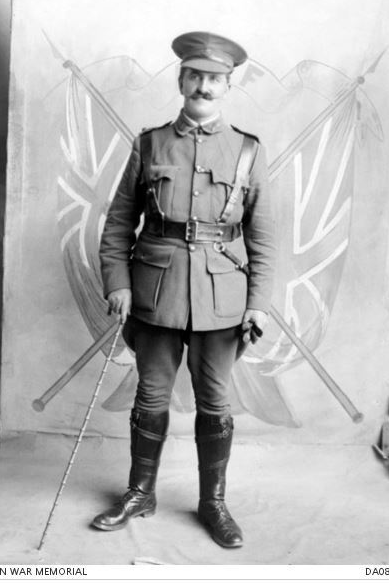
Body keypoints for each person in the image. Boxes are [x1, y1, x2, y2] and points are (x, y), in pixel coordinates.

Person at [92, 31, 276, 548]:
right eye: (195, 75)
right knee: (150, 394)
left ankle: (212, 503)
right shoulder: (149, 144)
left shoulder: (247, 150)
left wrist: (258, 305)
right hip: (156, 292)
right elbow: (118, 225)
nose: (203, 86)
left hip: (222, 299)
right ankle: (140, 493)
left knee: (215, 400)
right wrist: (118, 284)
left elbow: (264, 237)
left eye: (214, 79)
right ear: (181, 80)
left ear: (228, 86)